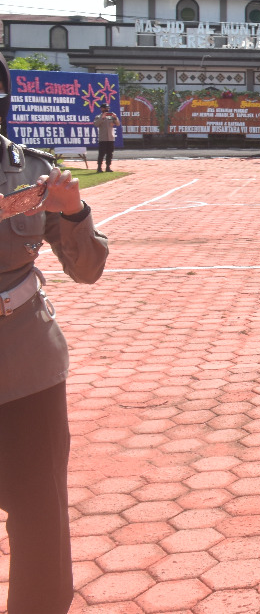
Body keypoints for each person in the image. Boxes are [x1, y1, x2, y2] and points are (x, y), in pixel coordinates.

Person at [0, 54, 110, 614]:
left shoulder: (29, 173)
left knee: (40, 520)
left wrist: (74, 211)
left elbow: (87, 268)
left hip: (25, 370)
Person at [92, 109, 121, 173]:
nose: (106, 110)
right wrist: (102, 117)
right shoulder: (98, 117)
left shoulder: (111, 117)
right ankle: (99, 167)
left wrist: (115, 117)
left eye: (107, 108)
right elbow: (96, 124)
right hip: (103, 138)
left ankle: (108, 167)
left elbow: (118, 124)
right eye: (104, 108)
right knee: (101, 154)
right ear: (101, 109)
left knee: (110, 154)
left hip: (110, 138)